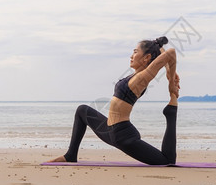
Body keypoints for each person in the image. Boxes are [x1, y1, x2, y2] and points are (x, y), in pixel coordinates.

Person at [49, 36, 180, 165]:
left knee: (167, 160)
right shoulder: (135, 74)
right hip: (109, 129)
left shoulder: (141, 78)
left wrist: (171, 82)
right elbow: (163, 54)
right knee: (82, 110)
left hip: (124, 137)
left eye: (135, 52)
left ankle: (171, 112)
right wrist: (168, 69)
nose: (131, 56)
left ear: (146, 58)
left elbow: (171, 53)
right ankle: (71, 155)